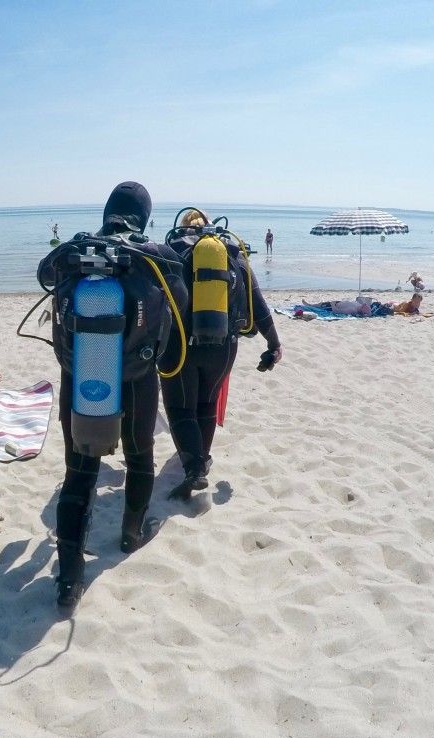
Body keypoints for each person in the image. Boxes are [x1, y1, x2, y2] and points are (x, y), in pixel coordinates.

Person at [37, 181, 187, 612]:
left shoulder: (77, 251)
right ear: (144, 216)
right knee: (139, 459)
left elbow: (45, 275)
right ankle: (131, 534)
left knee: (78, 473)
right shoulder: (156, 257)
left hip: (81, 377)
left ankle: (69, 579)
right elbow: (179, 307)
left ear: (107, 212)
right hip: (138, 379)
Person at [162, 209, 282, 501]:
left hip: (181, 345)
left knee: (180, 409)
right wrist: (274, 344)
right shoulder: (232, 255)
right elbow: (258, 305)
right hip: (224, 347)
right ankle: (201, 459)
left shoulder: (172, 254)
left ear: (182, 228)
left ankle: (194, 470)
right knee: (207, 402)